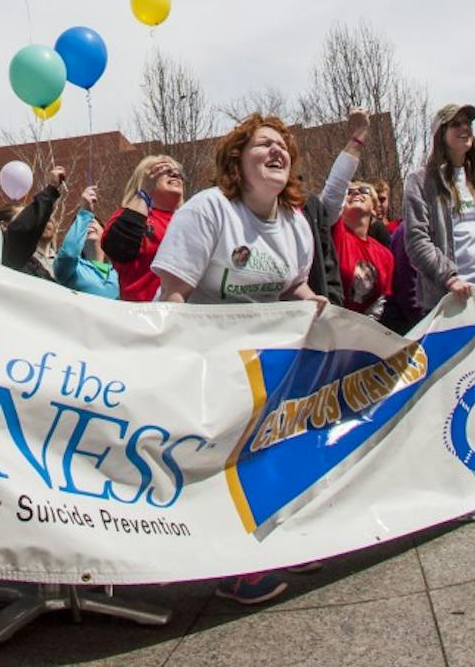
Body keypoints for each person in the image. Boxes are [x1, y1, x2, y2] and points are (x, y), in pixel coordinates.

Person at [153, 114, 326, 605]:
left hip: (264, 362)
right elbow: (173, 295)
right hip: (204, 360)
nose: (277, 152)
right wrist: (175, 369)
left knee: (275, 452)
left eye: (282, 147)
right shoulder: (210, 210)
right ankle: (234, 570)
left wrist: (313, 300)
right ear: (236, 161)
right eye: (263, 145)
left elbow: (292, 284)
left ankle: (279, 540)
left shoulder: (295, 223)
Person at [403, 103, 475, 313]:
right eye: (455, 124)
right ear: (441, 134)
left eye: (467, 123)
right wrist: (449, 277)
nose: (464, 128)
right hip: (448, 300)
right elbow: (416, 239)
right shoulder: (420, 182)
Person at [318, 111, 393, 316]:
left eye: (363, 191)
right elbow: (335, 187)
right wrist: (358, 136)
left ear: (376, 208)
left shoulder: (385, 255)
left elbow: (379, 304)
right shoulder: (335, 232)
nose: (355, 193)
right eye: (349, 192)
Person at [101, 154, 185, 300]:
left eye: (178, 171)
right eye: (163, 169)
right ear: (144, 180)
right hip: (142, 315)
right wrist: (144, 193)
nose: (175, 173)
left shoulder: (190, 219)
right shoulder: (127, 215)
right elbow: (118, 250)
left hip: (188, 314)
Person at [53, 186, 119, 299]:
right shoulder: (71, 269)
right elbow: (69, 254)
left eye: (93, 221)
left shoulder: (118, 273)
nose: (89, 224)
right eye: (84, 225)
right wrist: (85, 212)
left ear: (104, 231)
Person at [2, 165, 66, 279]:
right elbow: (21, 228)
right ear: (4, 226)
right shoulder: (8, 257)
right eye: (24, 216)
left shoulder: (35, 266)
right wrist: (51, 190)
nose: (31, 220)